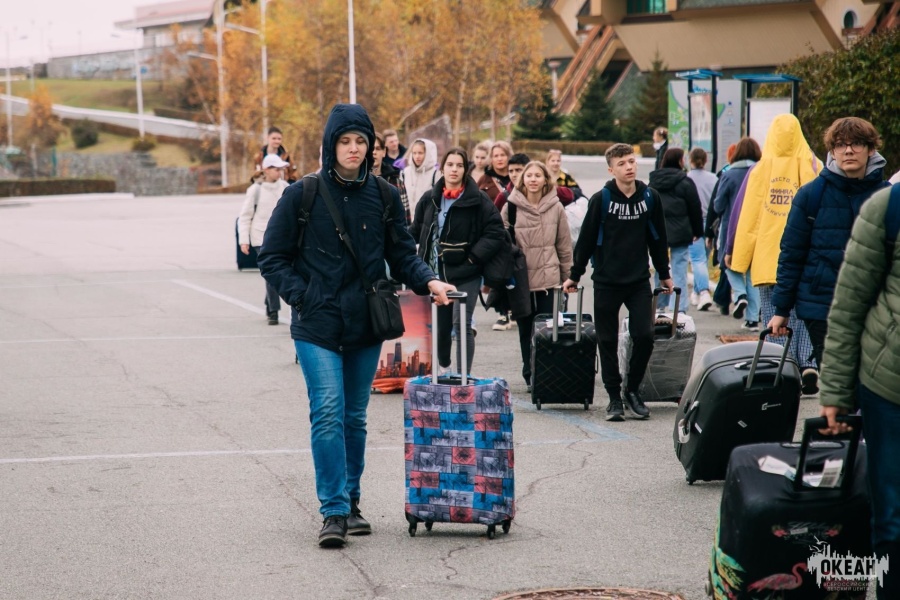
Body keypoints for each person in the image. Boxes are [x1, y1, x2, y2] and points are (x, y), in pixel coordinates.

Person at [257, 103, 455, 548]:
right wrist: (303, 296)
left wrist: (429, 280)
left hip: (366, 321)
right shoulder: (302, 194)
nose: (352, 148)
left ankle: (351, 501)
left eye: (360, 141)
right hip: (317, 323)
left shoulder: (384, 195)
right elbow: (272, 257)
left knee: (354, 416)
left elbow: (401, 253)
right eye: (344, 141)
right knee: (328, 411)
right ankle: (333, 511)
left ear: (370, 147)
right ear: (331, 145)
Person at [818, 184, 900, 599]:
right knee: (893, 518)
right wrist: (835, 390)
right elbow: (849, 306)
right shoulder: (890, 208)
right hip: (890, 388)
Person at [768, 117, 888, 370]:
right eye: (841, 145)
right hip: (822, 305)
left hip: (876, 306)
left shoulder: (888, 196)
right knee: (837, 375)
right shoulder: (811, 195)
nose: (848, 151)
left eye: (856, 144)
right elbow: (792, 254)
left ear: (870, 149)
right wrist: (781, 309)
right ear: (832, 151)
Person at [563, 144, 672, 422]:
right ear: (611, 170)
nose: (629, 167)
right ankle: (614, 397)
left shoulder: (650, 197)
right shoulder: (601, 200)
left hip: (638, 281)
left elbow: (658, 238)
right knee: (607, 340)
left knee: (644, 336)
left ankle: (631, 390)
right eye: (622, 163)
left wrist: (664, 272)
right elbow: (586, 240)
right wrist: (575, 274)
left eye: (632, 161)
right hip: (606, 281)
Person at [727, 115, 821, 392]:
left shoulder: (760, 170)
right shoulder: (813, 166)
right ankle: (808, 363)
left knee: (773, 313)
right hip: (805, 255)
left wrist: (739, 257)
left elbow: (748, 217)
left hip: (769, 257)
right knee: (803, 312)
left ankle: (783, 365)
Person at [410, 147, 505, 375]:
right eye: (450, 165)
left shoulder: (478, 199)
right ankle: (445, 368)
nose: (454, 169)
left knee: (461, 323)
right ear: (442, 168)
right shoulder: (430, 198)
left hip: (467, 272)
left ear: (465, 169)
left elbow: (495, 231)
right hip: (438, 275)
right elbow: (415, 230)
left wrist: (473, 257)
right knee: (442, 330)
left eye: (459, 165)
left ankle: (463, 377)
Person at [501, 161, 573, 392]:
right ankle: (529, 372)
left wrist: (568, 277)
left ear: (545, 180)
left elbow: (564, 245)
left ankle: (546, 373)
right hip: (521, 280)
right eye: (529, 175)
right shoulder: (510, 207)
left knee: (548, 330)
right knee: (525, 329)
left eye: (537, 175)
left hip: (549, 279)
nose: (533, 179)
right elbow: (500, 242)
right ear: (522, 180)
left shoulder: (556, 206)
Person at [713, 137, 762, 328]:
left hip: (732, 228)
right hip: (757, 228)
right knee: (752, 272)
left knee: (727, 264)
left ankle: (740, 294)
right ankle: (752, 319)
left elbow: (718, 205)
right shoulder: (762, 171)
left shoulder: (729, 174)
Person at [648, 147, 703, 314]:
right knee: (679, 269)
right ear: (679, 161)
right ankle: (678, 308)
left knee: (660, 267)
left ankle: (659, 305)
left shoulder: (654, 182)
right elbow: (695, 208)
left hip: (658, 232)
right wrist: (697, 231)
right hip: (681, 231)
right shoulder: (685, 182)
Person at [238, 154, 290, 325]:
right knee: (271, 274)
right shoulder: (256, 190)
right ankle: (274, 311)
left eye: (281, 169)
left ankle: (269, 304)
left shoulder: (285, 187)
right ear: (266, 170)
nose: (279, 172)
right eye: (276, 169)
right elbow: (245, 216)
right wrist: (244, 240)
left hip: (281, 238)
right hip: (260, 238)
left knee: (276, 273)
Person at [491, 152, 530, 331]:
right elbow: (494, 220)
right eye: (511, 171)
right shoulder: (504, 196)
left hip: (532, 245)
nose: (514, 174)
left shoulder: (538, 193)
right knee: (506, 279)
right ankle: (503, 312)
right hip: (511, 246)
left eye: (519, 170)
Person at [686, 148, 718, 310]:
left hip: (693, 223)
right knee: (703, 259)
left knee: (697, 260)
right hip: (711, 223)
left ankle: (704, 292)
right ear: (705, 160)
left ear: (690, 160)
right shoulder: (713, 178)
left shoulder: (687, 179)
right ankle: (697, 292)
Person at [400, 138, 438, 222]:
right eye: (414, 153)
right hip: (406, 220)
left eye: (420, 153)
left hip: (426, 221)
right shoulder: (405, 173)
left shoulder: (435, 174)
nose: (417, 156)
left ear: (427, 153)